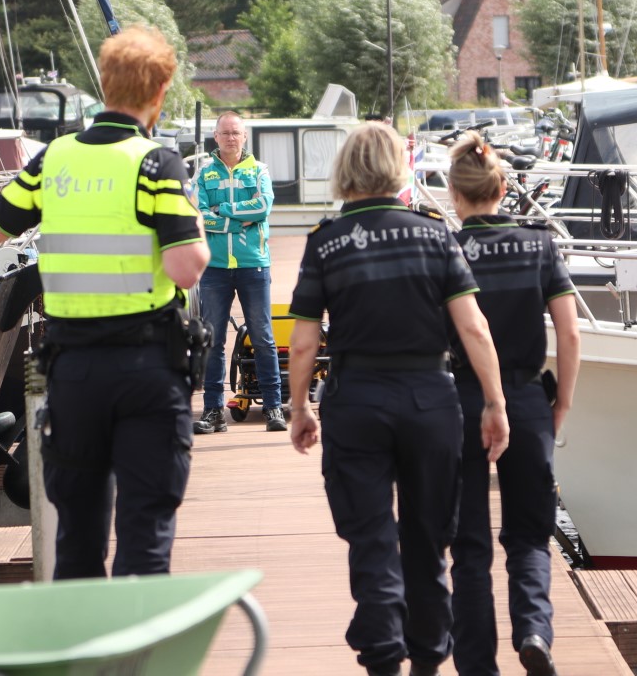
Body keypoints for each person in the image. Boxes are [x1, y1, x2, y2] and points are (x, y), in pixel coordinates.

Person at [0, 25, 209, 579]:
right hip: (146, 367)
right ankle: (140, 659)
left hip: (75, 371)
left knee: (77, 534)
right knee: (144, 528)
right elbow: (185, 266)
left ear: (104, 86)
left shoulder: (53, 160)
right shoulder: (155, 164)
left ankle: (85, 657)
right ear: (158, 94)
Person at [287, 121, 511, 676]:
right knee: (428, 536)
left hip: (357, 398)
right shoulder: (435, 234)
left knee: (370, 534)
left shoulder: (325, 240)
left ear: (346, 169)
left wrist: (298, 406)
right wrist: (495, 401)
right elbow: (474, 328)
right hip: (429, 400)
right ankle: (429, 658)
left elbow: (303, 341)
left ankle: (384, 648)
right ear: (396, 169)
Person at [444, 131, 580, 676]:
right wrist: (561, 403)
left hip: (460, 401)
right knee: (529, 535)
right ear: (504, 187)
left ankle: (478, 665)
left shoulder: (446, 248)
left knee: (469, 545)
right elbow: (570, 334)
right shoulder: (539, 243)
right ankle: (533, 631)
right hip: (525, 398)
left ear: (455, 195)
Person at [193, 111, 284, 434]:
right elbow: (199, 216)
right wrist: (236, 218)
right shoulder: (203, 176)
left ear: (244, 137)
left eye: (236, 133)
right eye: (225, 133)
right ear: (215, 137)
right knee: (213, 341)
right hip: (215, 269)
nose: (231, 138)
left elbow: (263, 209)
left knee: (263, 337)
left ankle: (274, 407)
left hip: (253, 264)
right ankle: (214, 411)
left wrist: (223, 211)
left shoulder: (259, 171)